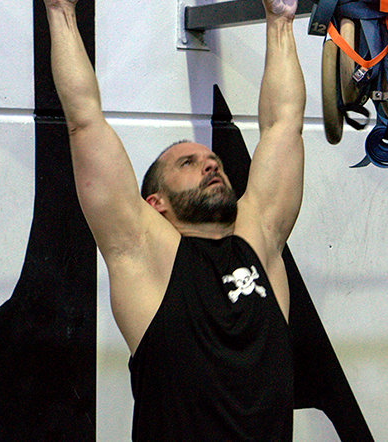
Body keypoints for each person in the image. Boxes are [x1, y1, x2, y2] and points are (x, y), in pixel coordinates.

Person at [43, 0, 305, 439]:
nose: (211, 165)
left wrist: (280, 19)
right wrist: (60, 11)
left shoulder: (260, 239)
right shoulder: (144, 257)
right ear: (155, 202)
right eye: (188, 163)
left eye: (213, 160)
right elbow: (84, 122)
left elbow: (284, 124)